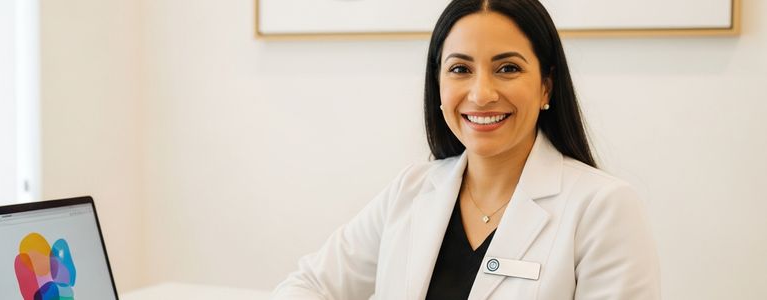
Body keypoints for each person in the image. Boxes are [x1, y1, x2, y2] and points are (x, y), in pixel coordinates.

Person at [272, 0, 660, 299]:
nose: (481, 94)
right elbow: (306, 286)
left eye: (507, 68)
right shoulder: (411, 190)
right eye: (460, 69)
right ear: (437, 85)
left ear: (546, 86)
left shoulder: (603, 207)